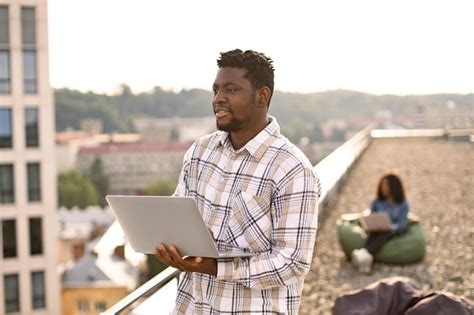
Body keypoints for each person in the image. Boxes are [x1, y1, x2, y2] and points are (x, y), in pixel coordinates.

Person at [154, 49, 321, 314]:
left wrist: (217, 267)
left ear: (262, 96)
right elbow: (178, 217)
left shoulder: (292, 168)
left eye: (231, 90)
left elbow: (292, 262)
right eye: (216, 90)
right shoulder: (200, 152)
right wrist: (175, 244)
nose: (219, 99)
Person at [351, 173, 409, 273]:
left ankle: (364, 253)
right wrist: (369, 225)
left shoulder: (403, 204)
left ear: (394, 187)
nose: (384, 188)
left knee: (385, 233)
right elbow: (372, 216)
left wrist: (390, 227)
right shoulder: (376, 201)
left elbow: (402, 224)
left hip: (392, 231)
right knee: (374, 232)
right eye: (382, 185)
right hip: (375, 230)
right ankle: (365, 258)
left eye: (386, 185)